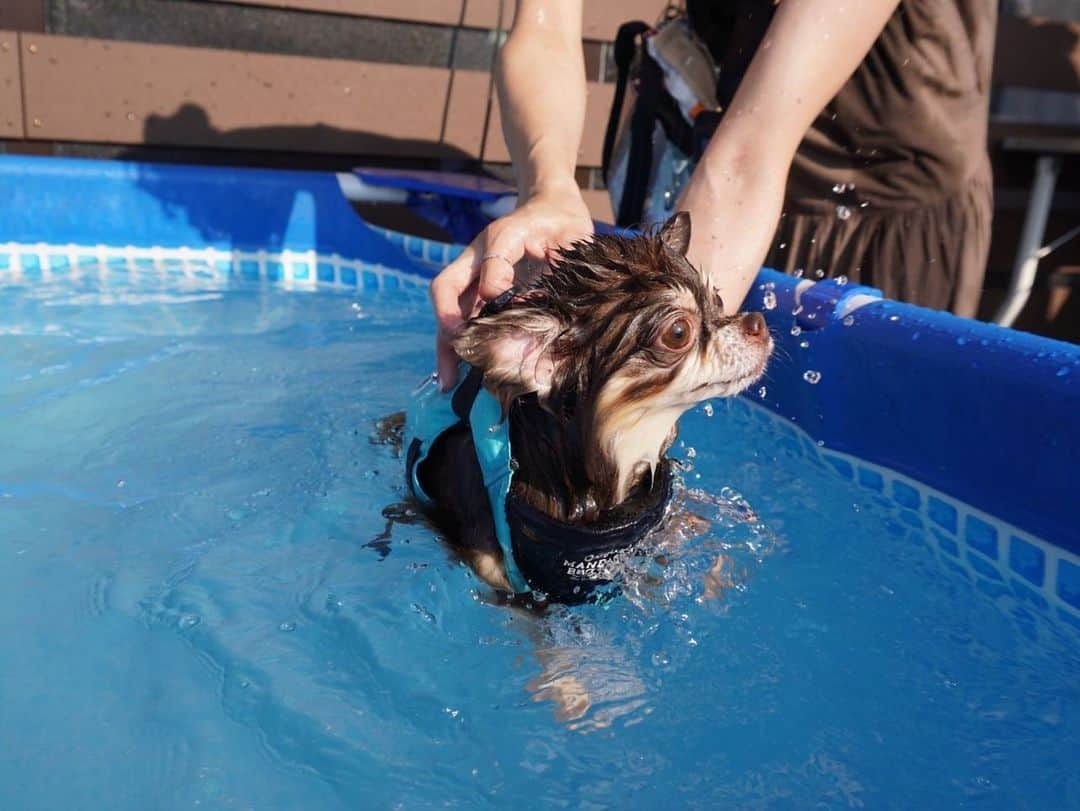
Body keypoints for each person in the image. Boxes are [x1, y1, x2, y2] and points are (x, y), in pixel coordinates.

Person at [430, 0, 996, 389]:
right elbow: (545, 30)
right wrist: (549, 189)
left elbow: (748, 157)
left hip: (878, 204)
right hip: (715, 174)